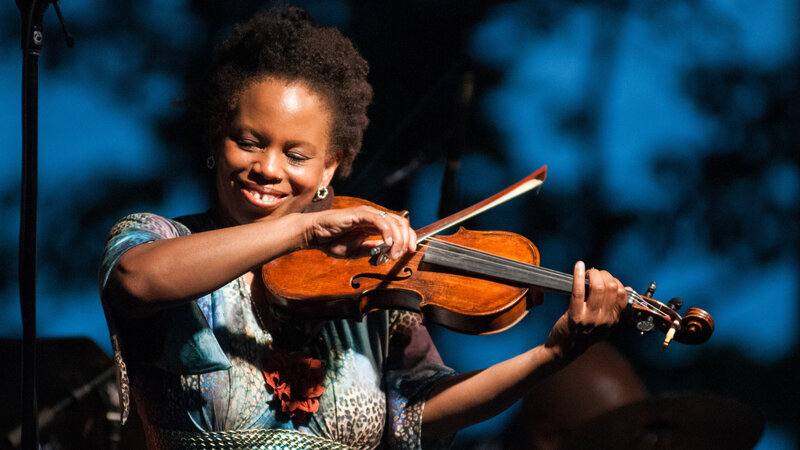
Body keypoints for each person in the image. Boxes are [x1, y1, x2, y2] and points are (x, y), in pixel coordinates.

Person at [99, 6, 629, 450]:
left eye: (297, 155)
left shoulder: (370, 287)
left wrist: (552, 356)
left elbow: (420, 413)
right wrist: (305, 229)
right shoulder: (158, 238)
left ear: (330, 167)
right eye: (249, 142)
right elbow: (136, 281)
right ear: (218, 139)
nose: (268, 168)